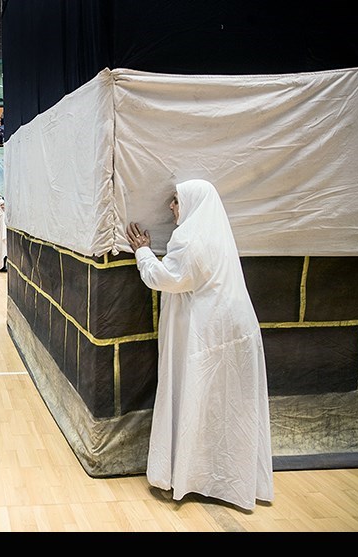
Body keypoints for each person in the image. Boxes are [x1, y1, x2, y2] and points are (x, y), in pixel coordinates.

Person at [125, 178, 274, 511]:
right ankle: (226, 480)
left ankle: (194, 478)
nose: (171, 206)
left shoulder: (189, 239)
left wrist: (142, 251)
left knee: (200, 402)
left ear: (193, 204)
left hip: (211, 338)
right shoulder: (216, 234)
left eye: (176, 200)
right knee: (228, 409)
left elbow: (166, 279)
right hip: (232, 334)